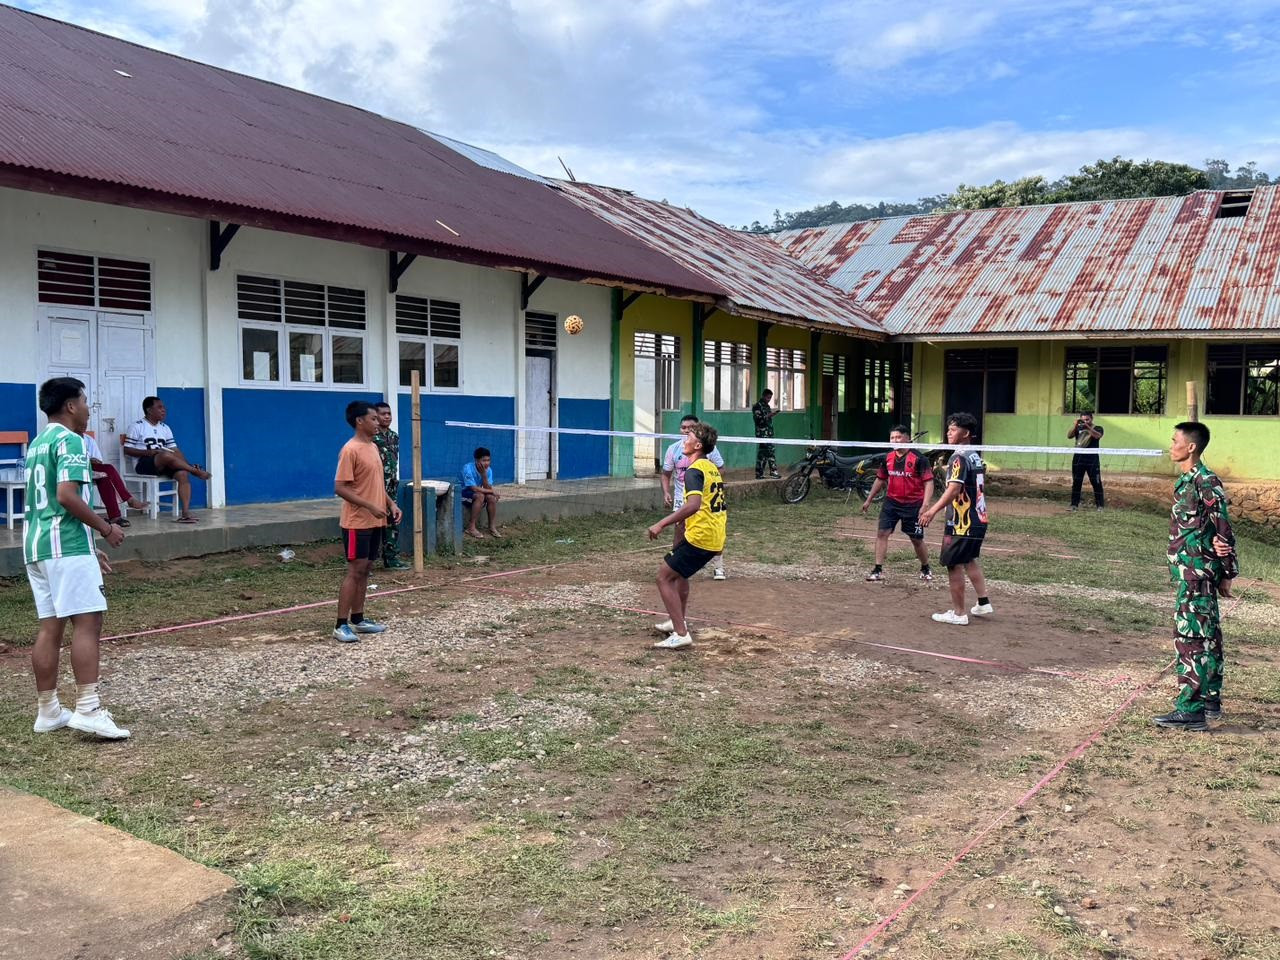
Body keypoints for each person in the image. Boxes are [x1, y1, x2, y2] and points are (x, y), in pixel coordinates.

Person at [24, 377, 130, 739]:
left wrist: (89, 546)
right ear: (70, 406)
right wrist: (106, 528)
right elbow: (67, 496)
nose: (88, 409)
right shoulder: (71, 440)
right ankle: (88, 708)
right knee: (88, 622)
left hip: (38, 546)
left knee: (50, 627)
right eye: (85, 401)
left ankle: (48, 710)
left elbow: (50, 503)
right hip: (64, 546)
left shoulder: (37, 443)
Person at [1154, 421, 1238, 731]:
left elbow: (1223, 527)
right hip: (1193, 570)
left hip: (1197, 572)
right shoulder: (1187, 480)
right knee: (1208, 635)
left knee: (1190, 639)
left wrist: (1227, 572)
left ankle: (1190, 710)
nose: (1171, 445)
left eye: (1174, 440)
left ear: (1190, 447)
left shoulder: (1205, 481)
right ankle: (1210, 700)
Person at [647, 422, 726, 650]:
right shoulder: (710, 467)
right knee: (679, 575)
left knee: (663, 577)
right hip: (712, 533)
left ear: (697, 445)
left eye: (689, 435)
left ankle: (681, 634)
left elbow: (693, 505)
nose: (685, 439)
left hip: (702, 537)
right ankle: (676, 621)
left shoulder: (694, 470)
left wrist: (661, 524)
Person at [332, 400, 401, 643]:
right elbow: (340, 487)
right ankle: (340, 624)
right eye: (373, 418)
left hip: (375, 521)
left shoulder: (373, 447)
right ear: (359, 421)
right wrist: (370, 505)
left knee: (366, 569)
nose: (378, 422)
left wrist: (390, 503)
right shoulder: (350, 450)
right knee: (355, 570)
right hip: (356, 522)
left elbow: (375, 483)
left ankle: (358, 619)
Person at [920, 412, 992, 626]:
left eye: (953, 429)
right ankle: (983, 602)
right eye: (948, 429)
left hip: (963, 521)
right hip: (978, 517)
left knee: (953, 564)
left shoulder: (958, 457)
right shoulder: (974, 455)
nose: (948, 433)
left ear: (966, 433)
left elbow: (953, 490)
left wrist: (932, 510)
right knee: (968, 559)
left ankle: (959, 613)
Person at [861, 424, 934, 582]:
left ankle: (925, 567)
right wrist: (868, 500)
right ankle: (878, 569)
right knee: (882, 533)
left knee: (916, 539)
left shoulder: (919, 459)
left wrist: (925, 505)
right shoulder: (887, 458)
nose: (895, 440)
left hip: (914, 504)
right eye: (892, 437)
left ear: (907, 439)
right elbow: (880, 479)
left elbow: (928, 482)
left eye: (898, 437)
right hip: (891, 503)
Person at [123, 396, 211, 524]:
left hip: (164, 463)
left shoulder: (165, 428)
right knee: (165, 455)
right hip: (144, 464)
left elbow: (175, 451)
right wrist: (149, 452)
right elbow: (127, 450)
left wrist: (187, 464)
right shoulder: (137, 426)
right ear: (149, 410)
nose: (163, 410)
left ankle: (185, 513)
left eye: (163, 407)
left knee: (182, 473)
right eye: (159, 407)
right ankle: (194, 471)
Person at [662, 414, 726, 580]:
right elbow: (665, 474)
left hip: (702, 499)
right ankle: (677, 564)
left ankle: (718, 566)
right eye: (684, 428)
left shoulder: (699, 465)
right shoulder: (674, 449)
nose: (686, 432)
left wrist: (660, 524)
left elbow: (720, 469)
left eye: (690, 429)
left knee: (662, 578)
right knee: (681, 528)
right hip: (682, 495)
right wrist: (666, 492)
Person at [83, 432, 148, 527]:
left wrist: (92, 461)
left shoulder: (88, 439)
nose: (84, 425)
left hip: (90, 469)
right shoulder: (65, 437)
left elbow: (98, 461)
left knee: (105, 475)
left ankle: (115, 517)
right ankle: (128, 500)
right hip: (72, 470)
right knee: (107, 471)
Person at [373, 402, 407, 569]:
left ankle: (391, 558)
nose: (387, 416)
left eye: (389, 413)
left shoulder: (394, 436)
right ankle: (367, 562)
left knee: (392, 522)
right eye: (383, 414)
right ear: (375, 416)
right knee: (372, 523)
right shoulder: (372, 437)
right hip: (374, 486)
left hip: (391, 485)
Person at [461, 447, 502, 539]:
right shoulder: (467, 468)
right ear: (476, 460)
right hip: (462, 493)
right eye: (484, 460)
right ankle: (471, 527)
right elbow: (473, 488)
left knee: (491, 498)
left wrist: (484, 475)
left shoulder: (488, 470)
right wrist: (492, 491)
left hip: (475, 493)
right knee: (480, 496)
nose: (487, 463)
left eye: (488, 460)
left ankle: (491, 526)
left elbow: (487, 487)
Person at [1068, 411, 1105, 511]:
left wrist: (1087, 427)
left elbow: (1097, 436)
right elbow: (1069, 436)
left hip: (1092, 459)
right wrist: (1076, 426)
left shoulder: (1098, 428)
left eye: (1087, 420)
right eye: (1083, 420)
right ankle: (1074, 505)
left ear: (1091, 419)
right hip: (1078, 458)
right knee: (1077, 481)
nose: (1085, 422)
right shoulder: (1078, 428)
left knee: (1096, 482)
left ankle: (1100, 506)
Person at [752, 389, 780, 480]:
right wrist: (768, 416)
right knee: (770, 451)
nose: (769, 399)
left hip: (769, 433)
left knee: (762, 454)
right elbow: (758, 420)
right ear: (763, 396)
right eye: (768, 397)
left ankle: (759, 473)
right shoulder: (757, 406)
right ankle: (773, 471)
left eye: (770, 398)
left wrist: (771, 415)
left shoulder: (767, 406)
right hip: (762, 434)